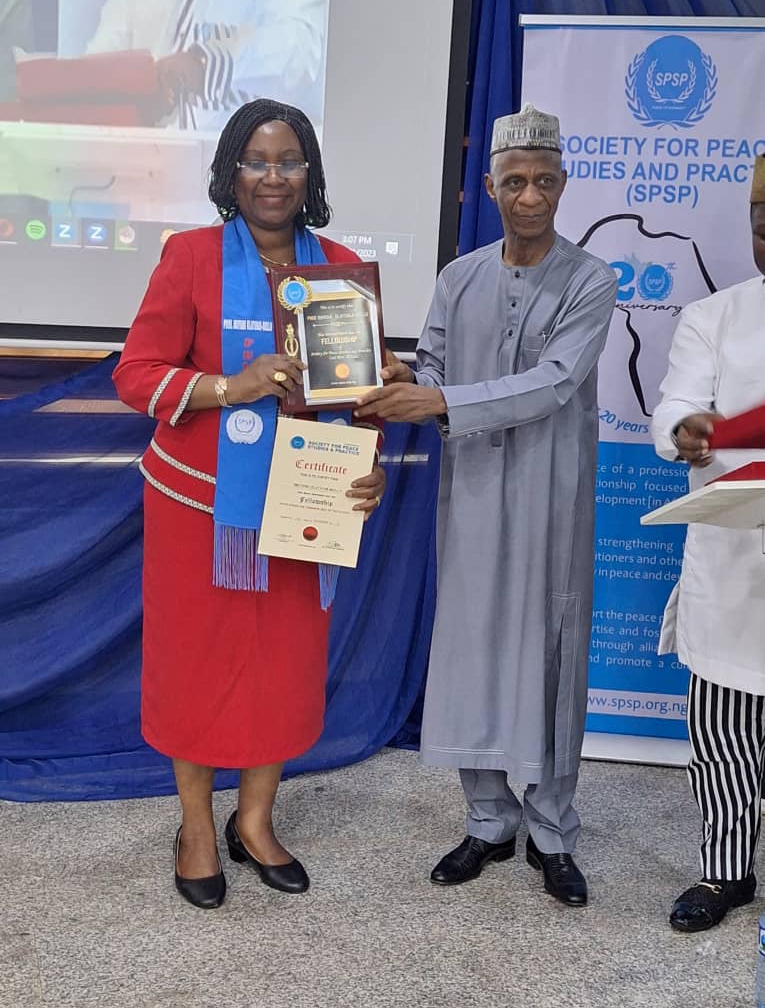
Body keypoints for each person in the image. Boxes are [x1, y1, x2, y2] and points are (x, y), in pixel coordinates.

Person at [113, 98, 385, 910]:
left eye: (289, 161)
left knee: (281, 667)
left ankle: (256, 821)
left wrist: (368, 471)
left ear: (309, 174)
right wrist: (230, 386)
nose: (274, 176)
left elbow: (358, 400)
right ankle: (197, 826)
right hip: (198, 511)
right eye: (257, 161)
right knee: (197, 669)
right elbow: (135, 375)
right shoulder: (190, 257)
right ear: (231, 172)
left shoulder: (341, 269)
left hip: (306, 503)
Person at [355, 104, 617, 906]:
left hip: (551, 492)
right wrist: (400, 377)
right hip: (470, 489)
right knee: (471, 643)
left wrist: (435, 401)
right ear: (490, 187)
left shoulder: (591, 280)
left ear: (562, 184)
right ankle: (488, 822)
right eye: (514, 182)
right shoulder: (457, 277)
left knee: (551, 652)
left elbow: (553, 383)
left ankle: (552, 832)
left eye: (543, 181)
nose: (529, 196)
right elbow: (432, 363)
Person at [650, 155, 765, 933]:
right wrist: (685, 431)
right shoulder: (713, 317)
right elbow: (675, 409)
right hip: (733, 554)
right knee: (722, 730)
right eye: (760, 224)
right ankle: (725, 872)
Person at [81, 0, 328, 128]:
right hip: (144, 169)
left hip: (243, 169)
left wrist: (204, 66)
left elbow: (298, 53)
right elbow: (98, 65)